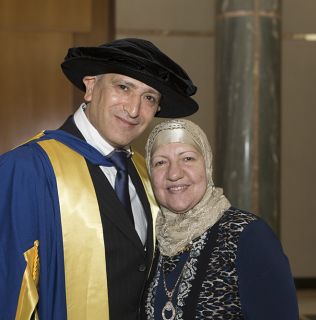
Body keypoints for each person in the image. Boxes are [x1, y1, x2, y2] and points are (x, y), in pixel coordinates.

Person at [0, 39, 199, 320]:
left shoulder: (146, 173)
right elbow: (9, 293)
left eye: (149, 97)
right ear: (91, 87)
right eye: (123, 87)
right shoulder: (27, 170)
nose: (133, 109)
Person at [142, 119, 299, 320]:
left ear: (207, 164)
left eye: (188, 158)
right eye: (160, 162)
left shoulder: (248, 236)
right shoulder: (151, 240)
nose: (174, 173)